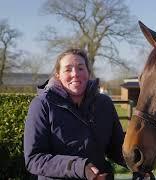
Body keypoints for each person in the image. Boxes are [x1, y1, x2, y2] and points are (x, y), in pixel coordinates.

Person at [24, 48, 127, 180]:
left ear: (88, 73)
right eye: (68, 69)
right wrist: (79, 168)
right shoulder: (42, 105)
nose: (75, 74)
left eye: (80, 68)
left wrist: (137, 164)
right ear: (57, 75)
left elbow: (116, 148)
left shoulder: (104, 103)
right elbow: (34, 159)